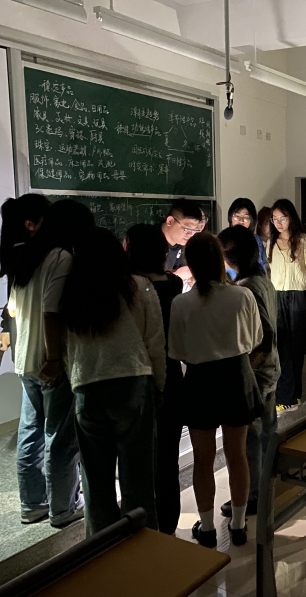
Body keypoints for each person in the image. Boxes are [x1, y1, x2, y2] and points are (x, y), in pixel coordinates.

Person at [60, 227, 165, 536]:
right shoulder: (139, 287)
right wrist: (159, 385)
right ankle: (143, 550)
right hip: (133, 385)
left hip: (87, 388)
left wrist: (76, 381)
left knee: (95, 484)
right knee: (138, 483)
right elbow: (154, 342)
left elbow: (67, 350)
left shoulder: (71, 294)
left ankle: (100, 553)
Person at [169, 233, 263, 548]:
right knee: (238, 455)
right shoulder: (242, 296)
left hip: (200, 380)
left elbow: (177, 350)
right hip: (237, 376)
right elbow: (254, 339)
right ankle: (238, 525)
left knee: (203, 459)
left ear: (191, 264)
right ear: (220, 260)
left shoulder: (181, 303)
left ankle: (207, 528)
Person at [7, 199, 95, 527]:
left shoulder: (26, 256)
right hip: (49, 360)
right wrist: (56, 358)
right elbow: (51, 310)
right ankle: (63, 508)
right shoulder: (60, 257)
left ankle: (32, 504)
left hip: (25, 359)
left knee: (30, 431)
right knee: (60, 437)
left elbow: (14, 308)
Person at [124, 223, 184, 535]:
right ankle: (168, 526)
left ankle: (142, 528)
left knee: (138, 462)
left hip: (137, 378)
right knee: (168, 458)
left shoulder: (128, 288)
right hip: (172, 375)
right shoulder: (174, 284)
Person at [217, 226, 280, 518]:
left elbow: (264, 336)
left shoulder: (246, 288)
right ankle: (266, 488)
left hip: (257, 373)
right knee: (267, 433)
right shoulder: (262, 280)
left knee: (251, 438)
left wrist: (245, 369)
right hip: (271, 368)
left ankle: (253, 495)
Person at [267, 199, 306, 410]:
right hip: (277, 297)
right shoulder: (271, 241)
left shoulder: (304, 241)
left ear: (291, 218)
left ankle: (294, 394)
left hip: (299, 297)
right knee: (281, 348)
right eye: (275, 219)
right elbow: (269, 272)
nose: (278, 223)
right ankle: (285, 397)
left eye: (283, 218)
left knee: (296, 348)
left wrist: (305, 299)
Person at [0, 194, 51, 358]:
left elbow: (14, 298)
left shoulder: (15, 251)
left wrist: (7, 327)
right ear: (30, 225)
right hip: (41, 347)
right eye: (47, 221)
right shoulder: (36, 255)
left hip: (23, 344)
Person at [160, 199, 204, 284]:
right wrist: (177, 276)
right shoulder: (149, 241)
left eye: (195, 231)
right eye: (187, 229)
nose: (190, 234)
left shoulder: (183, 245)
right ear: (170, 221)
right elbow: (145, 284)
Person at [226, 198, 268, 278]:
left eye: (246, 217)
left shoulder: (257, 241)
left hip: (251, 282)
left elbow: (262, 269)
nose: (241, 220)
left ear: (251, 221)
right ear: (230, 217)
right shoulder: (223, 239)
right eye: (237, 216)